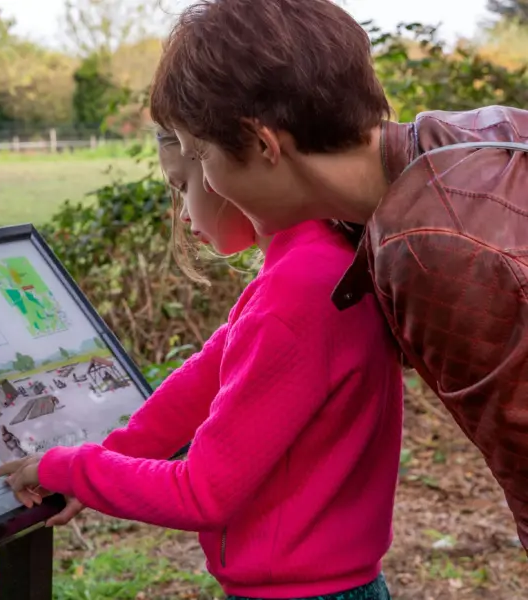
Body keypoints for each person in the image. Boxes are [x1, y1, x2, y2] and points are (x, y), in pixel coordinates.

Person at [144, 0, 528, 550]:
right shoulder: (460, 138)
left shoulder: (429, 249)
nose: (205, 182)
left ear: (261, 144)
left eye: (200, 156)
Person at [0, 129, 403, 599]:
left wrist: (71, 468)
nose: (184, 214)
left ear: (231, 164)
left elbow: (201, 493)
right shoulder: (319, 259)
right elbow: (203, 379)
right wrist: (117, 451)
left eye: (184, 184)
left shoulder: (293, 296)